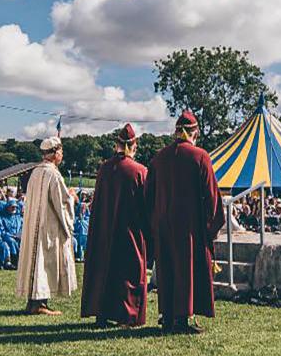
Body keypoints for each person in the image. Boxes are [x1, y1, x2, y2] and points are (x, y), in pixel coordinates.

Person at [147, 110, 226, 333]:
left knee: (169, 268)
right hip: (190, 225)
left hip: (164, 223)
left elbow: (148, 194)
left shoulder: (159, 157)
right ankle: (181, 318)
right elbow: (211, 195)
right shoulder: (200, 156)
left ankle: (168, 315)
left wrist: (154, 221)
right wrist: (210, 227)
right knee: (186, 270)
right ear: (195, 133)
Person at [81, 125, 151, 328]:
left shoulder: (103, 169)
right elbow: (145, 205)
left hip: (104, 229)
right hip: (129, 230)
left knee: (105, 270)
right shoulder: (139, 171)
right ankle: (127, 316)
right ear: (134, 146)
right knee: (128, 273)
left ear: (117, 145)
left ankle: (102, 313)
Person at [15, 137, 78, 316]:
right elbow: (61, 202)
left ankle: (33, 301)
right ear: (56, 153)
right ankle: (39, 303)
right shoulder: (53, 174)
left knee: (37, 262)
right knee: (43, 262)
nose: (62, 155)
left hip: (35, 223)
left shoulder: (35, 172)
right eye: (61, 152)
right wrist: (72, 197)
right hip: (47, 226)